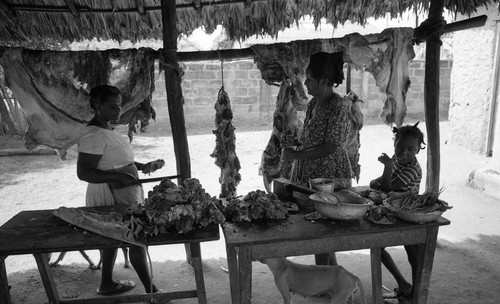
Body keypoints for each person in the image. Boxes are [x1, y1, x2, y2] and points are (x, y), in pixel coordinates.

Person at [77, 84, 165, 295]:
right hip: (109, 194)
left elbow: (115, 160)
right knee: (135, 239)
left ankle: (106, 283)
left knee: (113, 238)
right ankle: (151, 290)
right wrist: (119, 176)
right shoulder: (93, 134)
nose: (118, 111)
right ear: (97, 106)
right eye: (112, 106)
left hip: (123, 191)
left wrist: (142, 166)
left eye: (119, 106)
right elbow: (85, 173)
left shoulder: (108, 128)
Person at [281, 52, 354, 266]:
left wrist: (298, 154)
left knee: (323, 229)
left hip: (329, 178)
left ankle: (327, 278)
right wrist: (295, 142)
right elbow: (311, 136)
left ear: (323, 80)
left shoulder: (337, 106)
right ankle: (331, 276)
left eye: (309, 78)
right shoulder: (314, 104)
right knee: (318, 229)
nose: (305, 82)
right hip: (311, 175)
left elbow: (333, 145)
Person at [369, 122, 426, 301]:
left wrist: (387, 168)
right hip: (394, 212)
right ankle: (404, 285)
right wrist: (380, 179)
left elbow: (388, 187)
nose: (404, 152)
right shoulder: (397, 159)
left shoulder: (412, 168)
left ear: (418, 149)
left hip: (408, 216)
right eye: (400, 146)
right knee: (377, 247)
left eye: (411, 148)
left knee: (414, 257)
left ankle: (415, 293)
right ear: (394, 143)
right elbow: (378, 183)